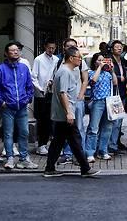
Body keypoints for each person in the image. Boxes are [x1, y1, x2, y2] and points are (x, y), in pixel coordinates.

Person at [44, 47, 101, 177]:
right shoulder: (64, 72)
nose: (80, 60)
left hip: (63, 113)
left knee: (58, 141)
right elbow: (63, 93)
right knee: (75, 140)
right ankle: (85, 168)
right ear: (71, 58)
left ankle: (50, 168)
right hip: (65, 114)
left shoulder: (68, 70)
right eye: (78, 58)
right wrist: (69, 112)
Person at [0, 41, 38, 170]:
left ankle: (24, 159)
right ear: (6, 53)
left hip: (22, 106)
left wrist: (28, 99)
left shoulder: (23, 68)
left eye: (17, 50)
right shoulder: (0, 69)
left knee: (24, 132)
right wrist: (2, 102)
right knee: (8, 133)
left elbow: (29, 86)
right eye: (12, 50)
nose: (15, 52)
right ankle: (10, 158)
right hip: (8, 108)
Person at [56, 38, 89, 165]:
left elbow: (85, 79)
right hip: (65, 102)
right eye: (68, 46)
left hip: (76, 100)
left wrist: (81, 95)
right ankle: (69, 154)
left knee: (79, 128)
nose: (71, 48)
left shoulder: (80, 62)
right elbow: (61, 88)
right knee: (66, 131)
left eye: (74, 46)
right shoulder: (60, 64)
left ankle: (80, 155)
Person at [84, 52, 116, 163]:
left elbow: (115, 82)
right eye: (99, 60)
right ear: (94, 62)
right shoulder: (91, 72)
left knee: (107, 128)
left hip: (109, 102)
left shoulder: (107, 74)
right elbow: (93, 81)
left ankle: (103, 151)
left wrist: (111, 70)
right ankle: (89, 152)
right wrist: (100, 67)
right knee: (93, 128)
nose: (102, 62)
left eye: (104, 60)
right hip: (97, 102)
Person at [32, 38, 59, 156]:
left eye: (53, 48)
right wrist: (41, 89)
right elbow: (34, 77)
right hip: (41, 94)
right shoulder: (38, 59)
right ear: (45, 47)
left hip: (52, 93)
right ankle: (41, 144)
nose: (51, 50)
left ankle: (45, 143)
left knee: (50, 119)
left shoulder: (56, 59)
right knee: (41, 119)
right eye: (49, 48)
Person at [107, 40, 127, 154]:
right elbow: (108, 73)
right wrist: (119, 77)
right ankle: (110, 145)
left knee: (119, 121)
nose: (119, 49)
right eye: (117, 47)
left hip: (122, 93)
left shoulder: (123, 61)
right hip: (113, 94)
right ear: (112, 49)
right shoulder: (109, 60)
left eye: (121, 47)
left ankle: (114, 144)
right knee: (113, 121)